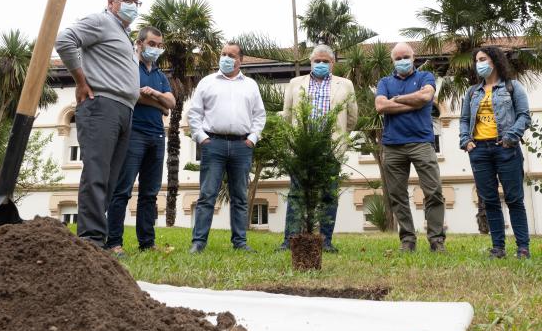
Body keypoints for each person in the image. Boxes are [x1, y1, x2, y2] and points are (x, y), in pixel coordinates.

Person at [55, 0, 141, 248]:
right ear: (111, 2)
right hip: (101, 105)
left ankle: (96, 238)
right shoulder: (101, 21)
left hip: (124, 109)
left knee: (111, 179)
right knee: (97, 172)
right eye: (127, 0)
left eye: (137, 3)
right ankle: (90, 240)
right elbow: (64, 40)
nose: (133, 6)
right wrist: (80, 81)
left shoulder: (124, 34)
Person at [187, 42, 266, 253]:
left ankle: (240, 242)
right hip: (214, 144)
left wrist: (252, 139)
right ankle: (199, 242)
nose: (225, 58)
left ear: (240, 60)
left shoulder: (250, 85)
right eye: (223, 54)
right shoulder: (207, 82)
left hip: (242, 145)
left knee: (240, 196)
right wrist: (202, 138)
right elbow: (194, 113)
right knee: (207, 195)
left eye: (231, 55)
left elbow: (259, 115)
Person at [278, 45, 358, 253]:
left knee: (329, 195)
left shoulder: (345, 85)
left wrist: (337, 136)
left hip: (330, 147)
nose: (321, 64)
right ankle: (290, 240)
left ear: (332, 63)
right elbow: (287, 115)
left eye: (325, 61)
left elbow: (351, 118)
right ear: (310, 62)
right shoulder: (296, 83)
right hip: (302, 146)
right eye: (317, 61)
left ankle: (325, 241)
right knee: (297, 194)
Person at [105, 26, 176, 255]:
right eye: (152, 44)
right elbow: (132, 95)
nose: (156, 49)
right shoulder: (129, 67)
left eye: (159, 45)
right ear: (139, 43)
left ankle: (147, 243)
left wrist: (154, 95)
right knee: (122, 190)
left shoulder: (159, 75)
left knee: (149, 194)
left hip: (157, 137)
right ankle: (113, 242)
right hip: (133, 134)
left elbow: (172, 103)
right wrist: (160, 105)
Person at [459, 46, 532, 259]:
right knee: (489, 200)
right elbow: (464, 120)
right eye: (477, 60)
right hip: (479, 151)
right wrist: (466, 141)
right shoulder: (472, 92)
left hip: (505, 148)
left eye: (483, 59)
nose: (479, 63)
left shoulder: (512, 87)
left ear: (495, 61)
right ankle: (498, 248)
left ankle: (523, 248)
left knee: (514, 199)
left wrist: (510, 138)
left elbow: (524, 116)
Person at [375, 42, 445, 252]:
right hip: (393, 145)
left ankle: (436, 240)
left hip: (422, 142)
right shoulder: (385, 81)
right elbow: (380, 106)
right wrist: (413, 103)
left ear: (414, 58)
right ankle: (407, 239)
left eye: (406, 57)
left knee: (433, 191)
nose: (402, 61)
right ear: (392, 61)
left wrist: (395, 100)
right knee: (397, 195)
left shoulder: (425, 77)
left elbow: (426, 97)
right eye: (398, 58)